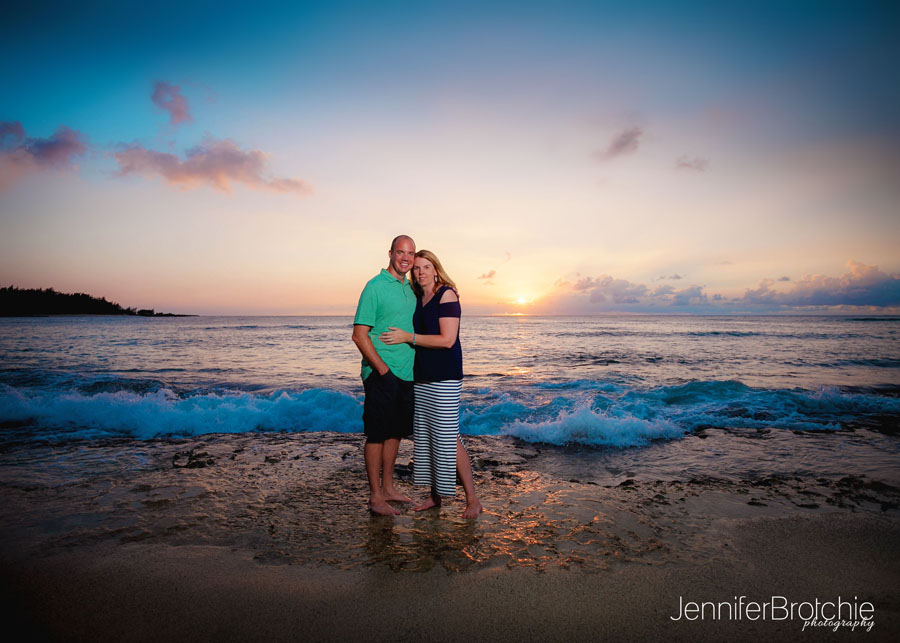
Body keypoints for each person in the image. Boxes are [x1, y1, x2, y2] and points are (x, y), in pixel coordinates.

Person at [381, 250, 483, 519]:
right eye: (417, 268)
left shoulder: (446, 295)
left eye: (426, 267)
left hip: (445, 376)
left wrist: (408, 337)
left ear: (436, 269)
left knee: (448, 435)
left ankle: (473, 499)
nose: (421, 272)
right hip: (423, 375)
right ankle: (435, 496)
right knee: (429, 435)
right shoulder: (419, 297)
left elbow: (447, 340)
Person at [352, 235, 417, 516]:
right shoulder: (375, 286)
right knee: (377, 434)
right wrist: (382, 370)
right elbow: (359, 335)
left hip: (407, 373)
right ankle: (375, 496)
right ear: (390, 254)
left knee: (395, 433)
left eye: (410, 253)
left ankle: (389, 488)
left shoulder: (412, 289)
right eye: (401, 252)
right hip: (381, 372)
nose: (406, 258)